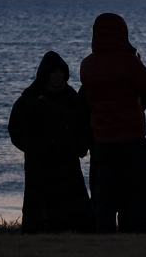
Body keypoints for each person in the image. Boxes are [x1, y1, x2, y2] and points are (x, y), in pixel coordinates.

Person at [80, 12, 146, 233]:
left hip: (102, 141)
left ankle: (105, 239)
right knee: (136, 192)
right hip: (132, 138)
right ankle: (134, 236)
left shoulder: (87, 65)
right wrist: (138, 106)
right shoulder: (128, 61)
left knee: (104, 195)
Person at [8, 50, 93, 233]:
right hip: (40, 167)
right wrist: (39, 148)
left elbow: (83, 123)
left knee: (76, 215)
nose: (59, 75)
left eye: (61, 71)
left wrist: (80, 146)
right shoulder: (30, 99)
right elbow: (17, 129)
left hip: (68, 164)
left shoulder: (71, 98)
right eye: (54, 71)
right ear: (45, 74)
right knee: (39, 215)